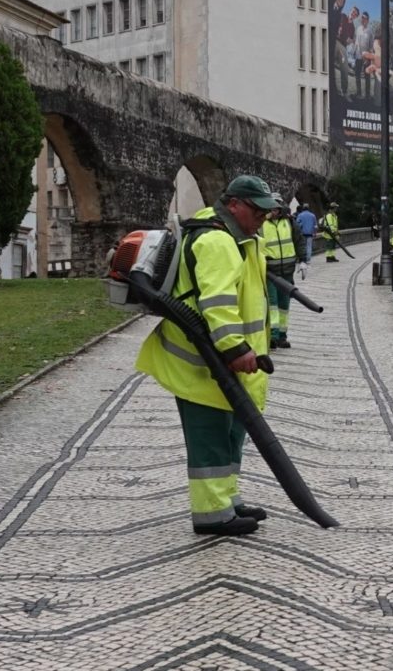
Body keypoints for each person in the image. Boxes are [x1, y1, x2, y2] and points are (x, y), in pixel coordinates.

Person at [134, 175, 277, 537]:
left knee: (230, 434)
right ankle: (212, 514)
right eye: (257, 209)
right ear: (234, 205)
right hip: (204, 363)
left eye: (266, 210)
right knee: (210, 439)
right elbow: (217, 302)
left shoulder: (239, 238)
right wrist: (235, 348)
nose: (264, 216)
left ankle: (227, 500)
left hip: (224, 363)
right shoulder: (217, 241)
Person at [259, 200, 296, 349]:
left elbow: (298, 240)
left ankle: (282, 335)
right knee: (272, 304)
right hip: (271, 271)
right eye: (271, 209)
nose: (273, 212)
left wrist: (305, 260)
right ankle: (272, 336)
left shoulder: (289, 223)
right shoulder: (261, 224)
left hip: (287, 269)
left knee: (284, 305)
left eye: (276, 209)